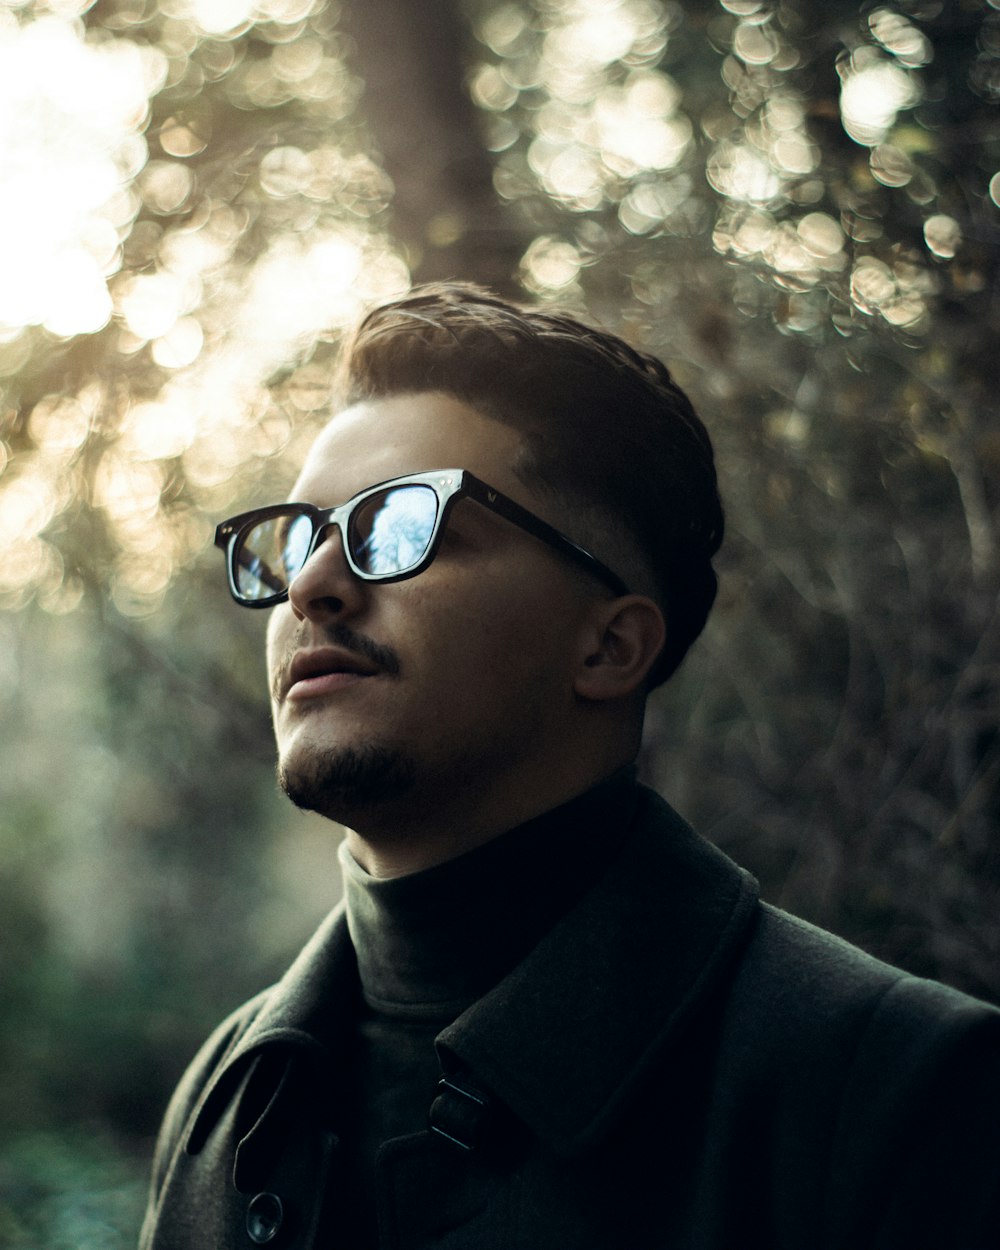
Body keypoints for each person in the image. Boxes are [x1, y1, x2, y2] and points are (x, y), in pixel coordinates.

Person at [140, 283, 1000, 1250]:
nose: (310, 585)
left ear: (609, 648)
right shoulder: (227, 1098)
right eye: (300, 538)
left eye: (401, 525)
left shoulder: (899, 1095)